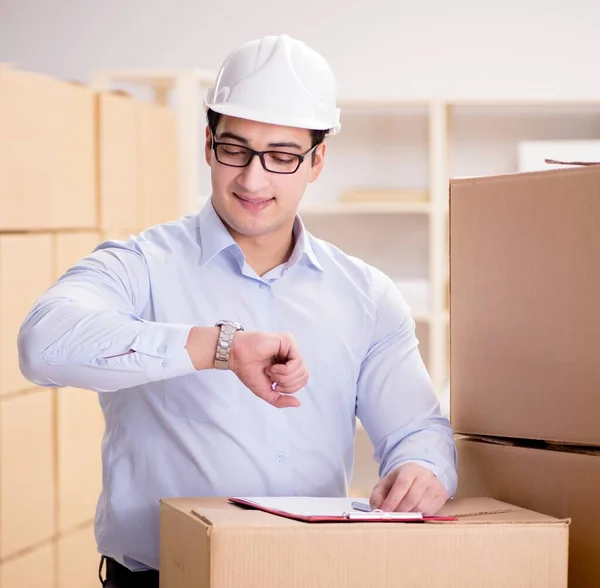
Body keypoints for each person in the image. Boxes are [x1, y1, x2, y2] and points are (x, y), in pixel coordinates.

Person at [17, 34, 457, 588]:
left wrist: (423, 468)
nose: (252, 179)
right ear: (208, 143)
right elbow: (42, 345)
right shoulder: (140, 265)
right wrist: (216, 347)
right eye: (236, 149)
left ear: (317, 160)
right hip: (162, 579)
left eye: (281, 156)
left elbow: (416, 428)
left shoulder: (365, 295)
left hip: (312, 575)